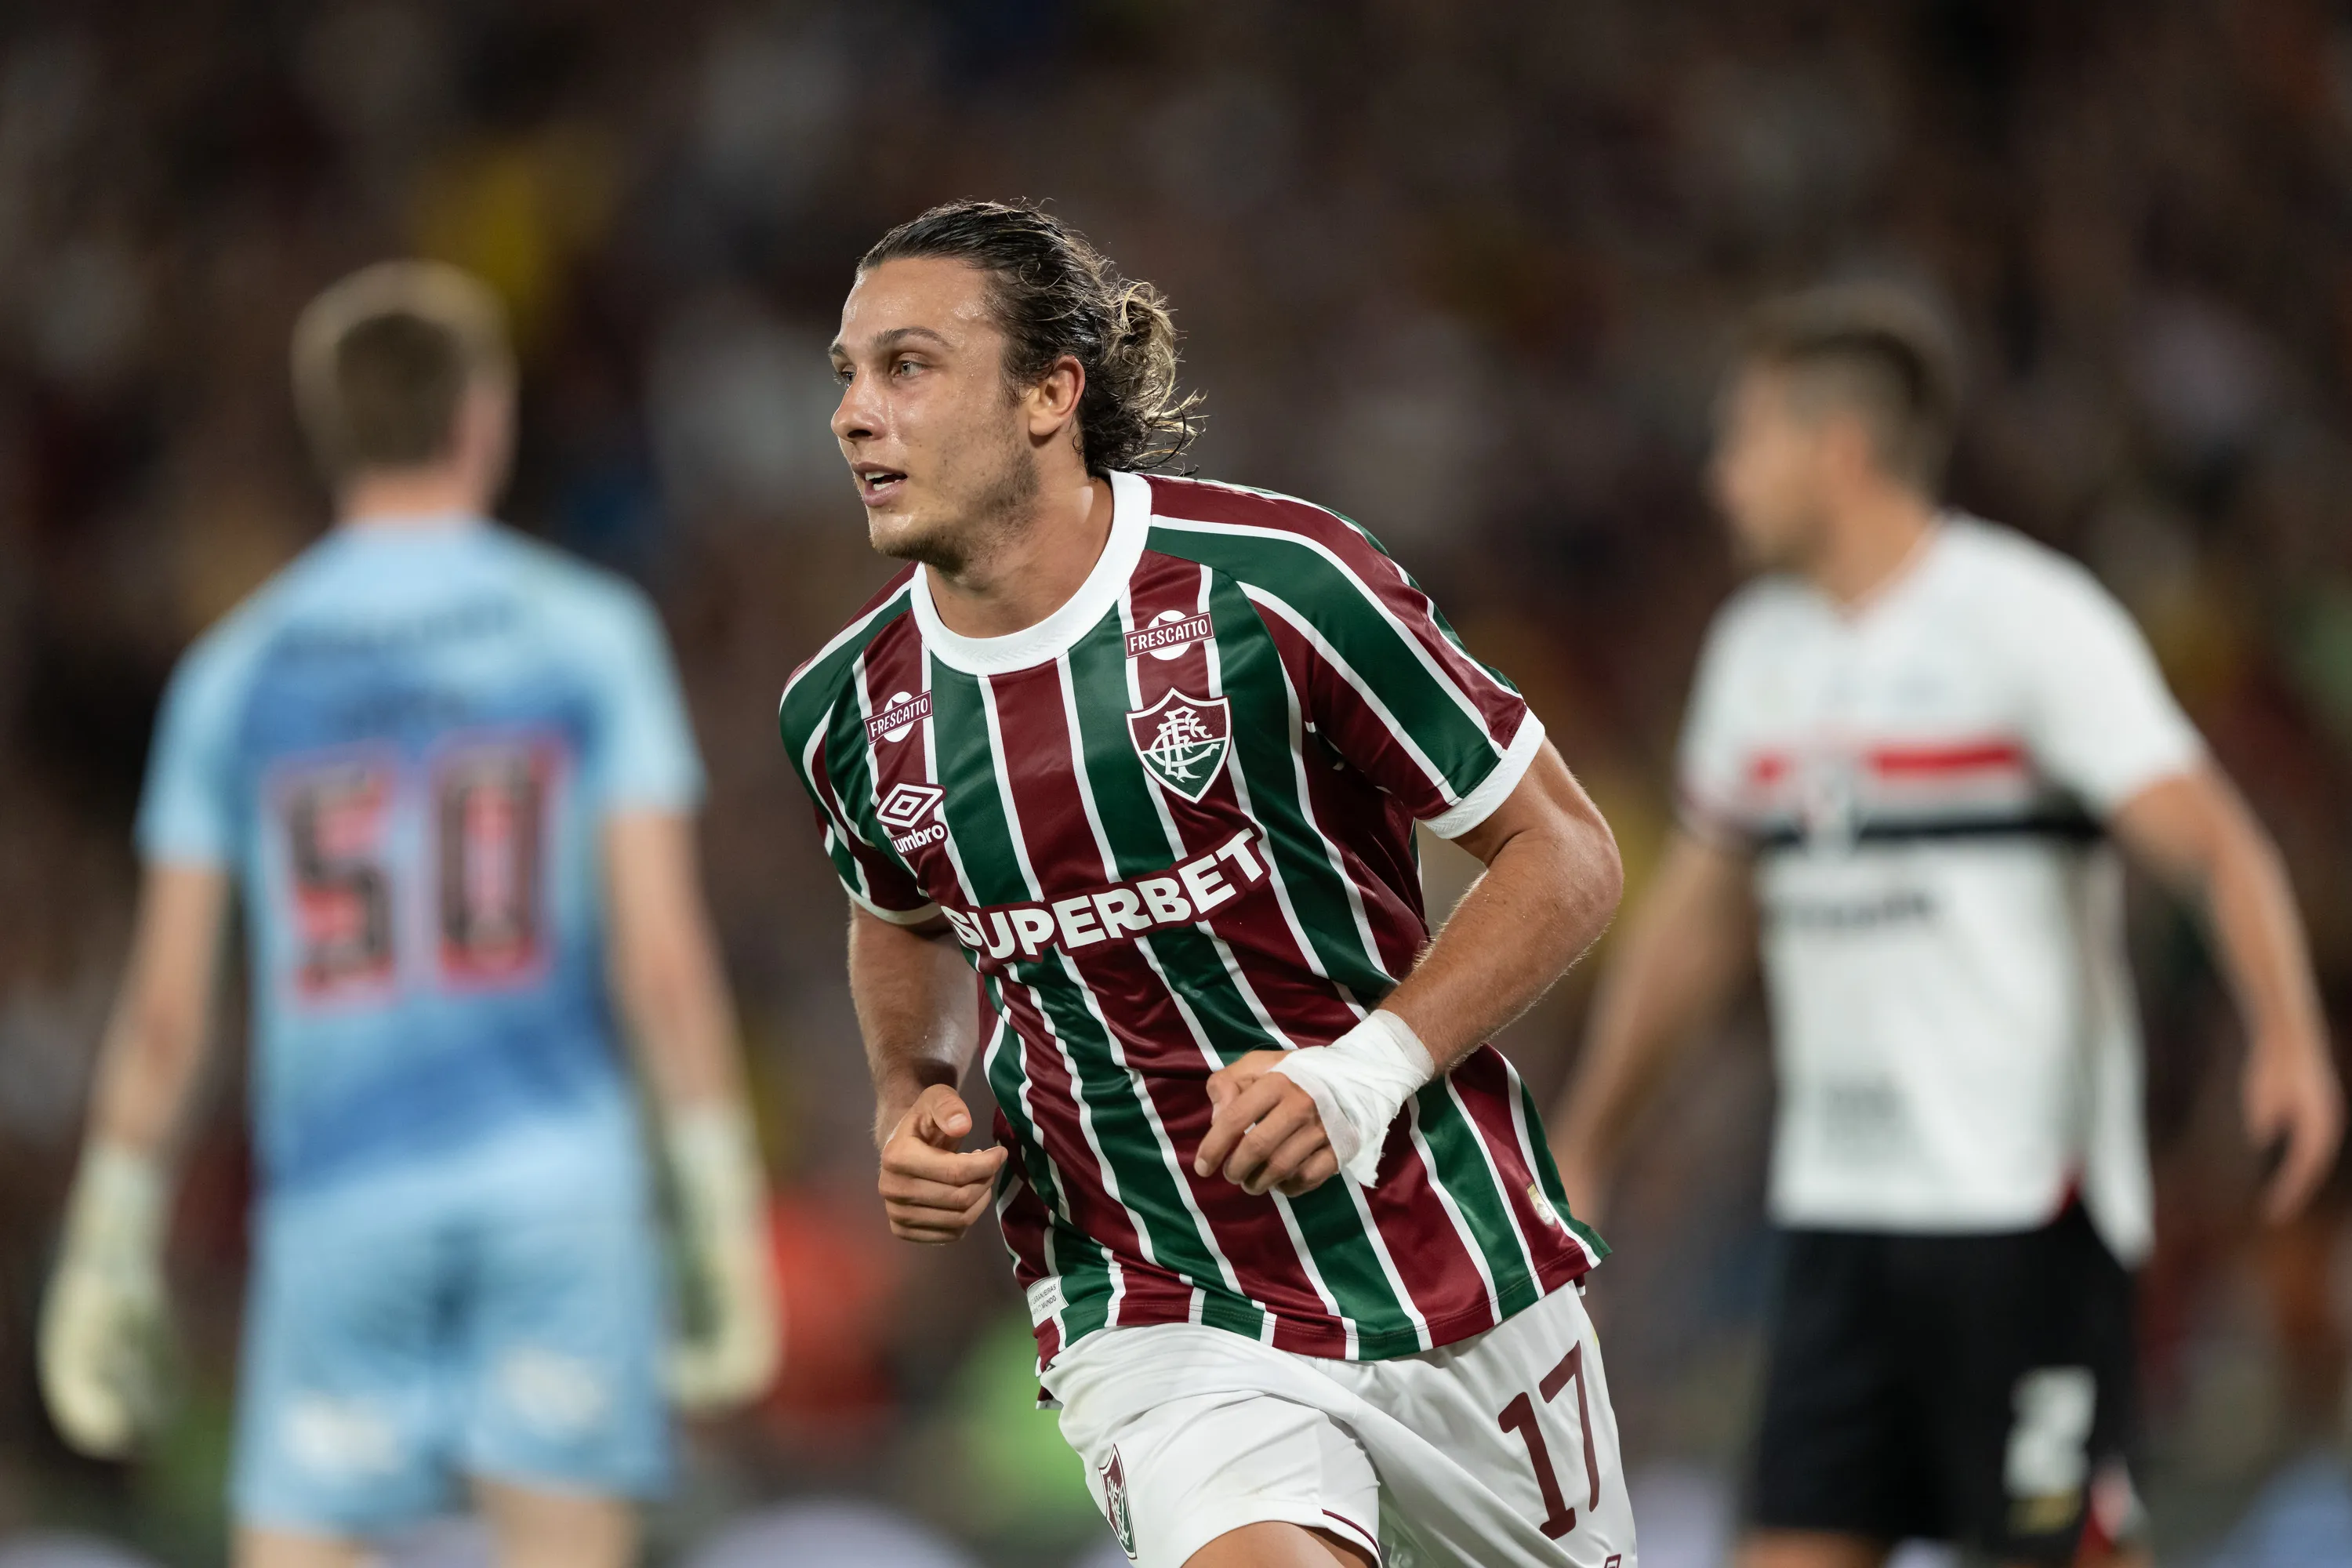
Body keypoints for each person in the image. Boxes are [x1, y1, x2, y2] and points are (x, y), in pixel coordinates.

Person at [779, 198, 1630, 1568]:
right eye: (848, 377)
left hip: (1446, 1259)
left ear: (1051, 393)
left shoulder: (1280, 585)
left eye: (908, 367)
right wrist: (914, 1090)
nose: (854, 416)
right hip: (1155, 1298)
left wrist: (1359, 1073)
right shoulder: (844, 710)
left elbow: (1569, 852)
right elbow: (900, 917)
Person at [1548, 284, 2346, 1568]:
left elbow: (2215, 837)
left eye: (1745, 440)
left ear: (1839, 450)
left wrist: (2288, 1039)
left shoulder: (2028, 620)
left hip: (2021, 1207)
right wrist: (1590, 1140)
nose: (1720, 477)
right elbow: (1695, 929)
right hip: (1840, 1214)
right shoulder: (1758, 651)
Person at [38, 262, 781, 1568]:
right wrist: (717, 1196)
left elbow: (168, 1009)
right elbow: (660, 959)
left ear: (328, 427)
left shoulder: (240, 669)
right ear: (483, 416)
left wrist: (110, 1232)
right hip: (559, 1191)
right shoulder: (586, 635)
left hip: (341, 1198)